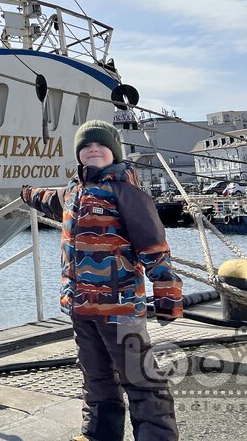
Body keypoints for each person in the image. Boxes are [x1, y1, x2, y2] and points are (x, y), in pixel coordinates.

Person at [21, 119, 182, 441]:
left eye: (101, 146)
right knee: (95, 376)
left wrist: (167, 293)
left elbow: (153, 245)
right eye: (86, 146)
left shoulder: (127, 192)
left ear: (115, 153)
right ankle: (98, 434)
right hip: (81, 306)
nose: (93, 150)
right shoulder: (73, 192)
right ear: (78, 154)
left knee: (140, 378)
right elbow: (49, 199)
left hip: (119, 308)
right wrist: (26, 193)